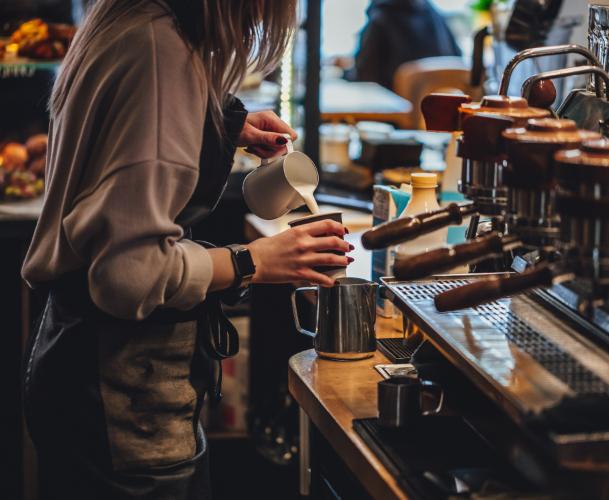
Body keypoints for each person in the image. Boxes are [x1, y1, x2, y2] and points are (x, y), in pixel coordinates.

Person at [21, 1, 353, 498]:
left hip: (74, 362)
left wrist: (216, 122)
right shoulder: (161, 51)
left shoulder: (130, 19)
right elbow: (129, 274)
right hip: (120, 399)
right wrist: (254, 261)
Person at [344, 0, 462, 90]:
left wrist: (343, 73)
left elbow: (365, 76)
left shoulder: (381, 16)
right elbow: (457, 60)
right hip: (442, 113)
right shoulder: (435, 15)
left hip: (397, 114)